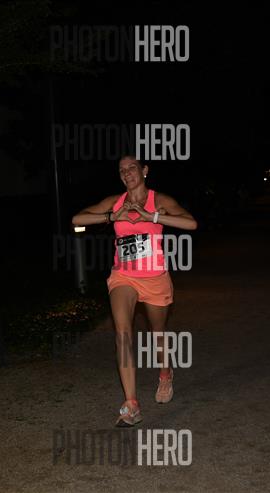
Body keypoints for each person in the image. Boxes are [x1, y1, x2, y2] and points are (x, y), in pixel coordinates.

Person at [71, 155, 197, 426]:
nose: (127, 173)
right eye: (122, 170)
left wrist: (151, 216)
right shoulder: (115, 201)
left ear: (144, 170)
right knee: (123, 333)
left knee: (157, 332)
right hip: (124, 276)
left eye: (132, 168)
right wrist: (111, 216)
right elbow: (77, 218)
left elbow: (191, 223)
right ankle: (131, 404)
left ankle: (165, 373)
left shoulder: (159, 200)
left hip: (154, 277)